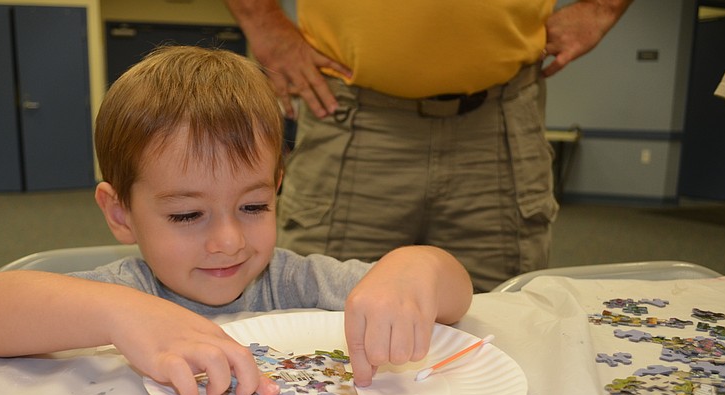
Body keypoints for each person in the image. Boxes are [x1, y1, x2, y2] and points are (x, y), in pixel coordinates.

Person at [0, 46, 473, 395]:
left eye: (253, 207)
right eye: (185, 215)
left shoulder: (294, 282)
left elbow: (455, 297)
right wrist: (121, 316)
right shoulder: (127, 291)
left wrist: (413, 267)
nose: (229, 242)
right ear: (120, 214)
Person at [222, 0, 634, 292]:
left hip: (499, 122)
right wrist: (263, 21)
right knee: (317, 313)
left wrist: (603, 6)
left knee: (498, 318)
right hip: (350, 116)